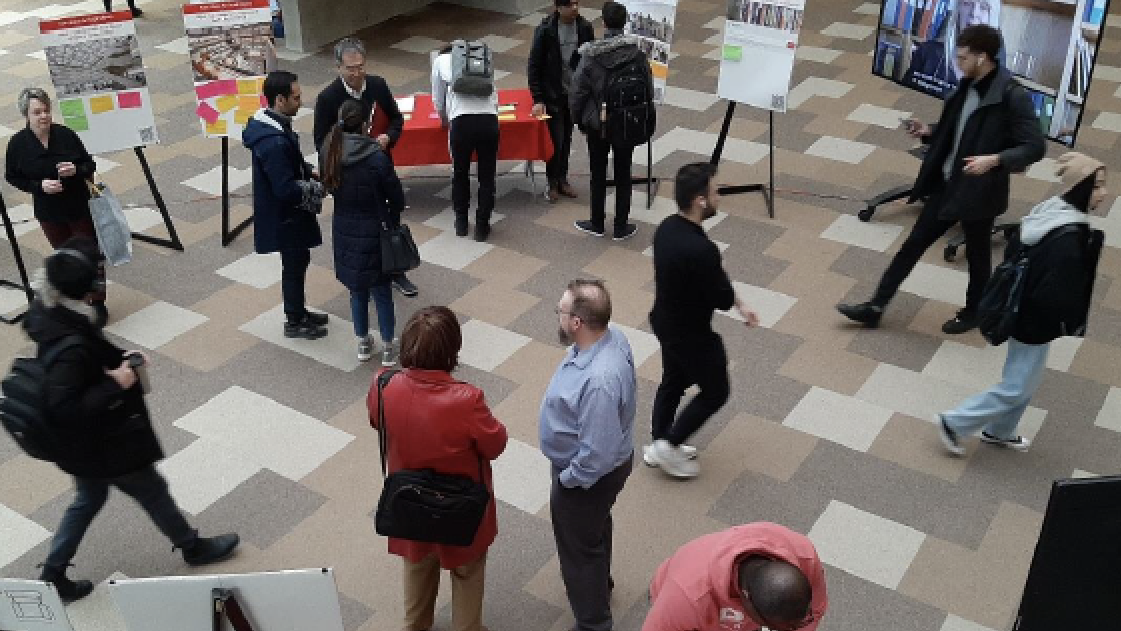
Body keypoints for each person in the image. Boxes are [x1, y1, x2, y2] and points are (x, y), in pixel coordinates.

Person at [25, 238, 239, 602]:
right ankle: (192, 547)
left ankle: (53, 572)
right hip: (105, 442)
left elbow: (86, 354)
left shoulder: (49, 314)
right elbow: (67, 402)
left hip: (81, 447)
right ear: (83, 291)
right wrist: (117, 382)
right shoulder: (71, 346)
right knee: (153, 491)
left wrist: (118, 356)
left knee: (88, 499)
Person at [838, 24, 1045, 335]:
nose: (956, 63)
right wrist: (929, 131)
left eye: (963, 58)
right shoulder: (967, 85)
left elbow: (1035, 146)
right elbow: (960, 129)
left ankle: (974, 310)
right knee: (913, 245)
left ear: (983, 57)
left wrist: (996, 160)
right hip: (949, 185)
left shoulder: (1011, 96)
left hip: (979, 192)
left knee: (977, 256)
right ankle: (876, 306)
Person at [939, 152, 1109, 456]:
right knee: (1017, 385)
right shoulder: (1070, 238)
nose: (1104, 193)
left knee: (1026, 378)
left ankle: (1000, 430)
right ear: (1082, 188)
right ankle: (955, 422)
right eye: (1097, 186)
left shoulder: (1051, 212)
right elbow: (1054, 292)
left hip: (1023, 311)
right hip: (1033, 321)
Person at [368, 306, 507, 631]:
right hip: (462, 506)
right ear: (451, 350)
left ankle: (415, 625)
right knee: (467, 572)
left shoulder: (383, 385)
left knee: (417, 565)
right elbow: (495, 444)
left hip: (410, 502)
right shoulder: (467, 400)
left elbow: (377, 421)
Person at [646, 163, 759, 479]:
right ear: (700, 200)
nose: (719, 196)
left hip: (665, 322)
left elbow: (712, 282)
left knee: (673, 380)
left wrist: (740, 303)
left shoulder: (667, 229)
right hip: (691, 333)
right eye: (715, 191)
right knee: (716, 391)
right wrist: (735, 301)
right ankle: (668, 444)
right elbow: (720, 296)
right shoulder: (702, 249)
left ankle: (659, 441)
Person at [539, 280, 636, 631]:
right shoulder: (612, 338)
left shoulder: (599, 381)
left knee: (577, 549)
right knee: (593, 527)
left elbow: (598, 453)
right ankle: (600, 585)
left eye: (561, 312)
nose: (558, 317)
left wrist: (568, 480)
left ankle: (593, 622)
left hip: (586, 475)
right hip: (599, 470)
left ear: (577, 322)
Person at [312, 37, 417, 297]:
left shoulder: (378, 85)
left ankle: (396, 269)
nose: (357, 73)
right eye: (351, 68)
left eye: (360, 66)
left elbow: (396, 118)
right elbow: (320, 141)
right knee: (359, 228)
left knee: (390, 219)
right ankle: (363, 276)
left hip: (379, 165)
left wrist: (388, 137)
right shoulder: (328, 98)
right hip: (349, 175)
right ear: (338, 68)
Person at [5, 87, 108, 326]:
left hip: (78, 206)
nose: (44, 116)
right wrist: (39, 186)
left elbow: (88, 164)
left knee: (91, 255)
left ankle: (98, 301)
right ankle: (74, 300)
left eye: (46, 110)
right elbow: (13, 177)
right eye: (37, 112)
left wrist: (76, 170)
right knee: (64, 258)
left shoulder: (65, 135)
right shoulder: (18, 144)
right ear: (26, 115)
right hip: (49, 213)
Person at [243, 70, 329, 340]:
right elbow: (284, 188)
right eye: (296, 97)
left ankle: (299, 311)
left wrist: (308, 169)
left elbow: (291, 165)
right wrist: (318, 189)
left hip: (285, 216)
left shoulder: (272, 127)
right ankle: (294, 319)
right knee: (293, 265)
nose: (300, 101)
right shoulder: (275, 142)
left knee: (298, 261)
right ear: (279, 100)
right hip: (286, 218)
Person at [320, 98, 404, 365]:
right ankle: (389, 344)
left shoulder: (329, 150)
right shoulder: (375, 156)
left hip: (345, 227)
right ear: (367, 124)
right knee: (382, 291)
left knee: (357, 290)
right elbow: (395, 193)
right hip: (376, 228)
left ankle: (363, 342)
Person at [642, 523, 828, 631]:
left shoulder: (804, 556)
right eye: (773, 628)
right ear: (746, 598)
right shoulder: (685, 598)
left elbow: (816, 609)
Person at [569, 1, 652, 241]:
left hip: (599, 123)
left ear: (603, 23)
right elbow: (647, 86)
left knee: (598, 171)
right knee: (623, 172)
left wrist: (580, 121)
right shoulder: (637, 54)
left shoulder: (591, 56)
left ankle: (596, 222)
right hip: (627, 121)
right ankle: (621, 226)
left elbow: (577, 93)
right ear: (625, 22)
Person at [431, 43, 499, 242]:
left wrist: (444, 119)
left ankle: (461, 223)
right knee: (487, 176)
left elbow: (438, 97)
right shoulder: (482, 60)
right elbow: (494, 94)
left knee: (460, 173)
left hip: (461, 122)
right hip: (488, 121)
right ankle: (482, 226)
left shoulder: (441, 61)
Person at [528, 0, 594, 203]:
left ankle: (562, 178)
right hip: (553, 95)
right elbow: (534, 64)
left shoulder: (584, 27)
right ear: (558, 7)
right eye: (569, 4)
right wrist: (538, 98)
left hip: (574, 95)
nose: (575, 8)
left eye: (576, 3)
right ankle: (552, 181)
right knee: (556, 139)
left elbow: (590, 59)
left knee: (567, 138)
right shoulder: (545, 30)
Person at [902, 0, 1002, 98]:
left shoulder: (998, 80)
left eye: (983, 7)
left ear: (993, 17)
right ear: (958, 10)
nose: (974, 13)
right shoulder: (926, 53)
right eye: (967, 3)